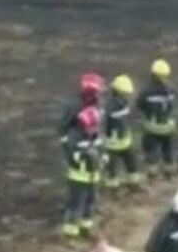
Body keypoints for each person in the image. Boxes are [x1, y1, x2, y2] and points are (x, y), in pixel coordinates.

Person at [61, 106, 106, 239]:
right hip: (78, 178)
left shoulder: (96, 136)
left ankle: (86, 227)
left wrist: (103, 157)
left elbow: (101, 149)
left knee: (90, 202)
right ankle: (71, 231)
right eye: (92, 126)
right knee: (76, 204)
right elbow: (72, 156)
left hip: (92, 177)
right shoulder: (74, 137)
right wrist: (86, 155)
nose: (94, 129)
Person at [137, 59, 177, 181]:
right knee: (167, 150)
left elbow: (140, 105)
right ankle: (169, 174)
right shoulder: (171, 90)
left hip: (152, 126)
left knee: (151, 150)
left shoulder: (146, 91)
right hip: (167, 126)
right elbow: (171, 105)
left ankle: (152, 174)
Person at [104, 74, 141, 193]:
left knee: (132, 164)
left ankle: (134, 185)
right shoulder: (109, 107)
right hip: (113, 144)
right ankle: (113, 190)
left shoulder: (124, 103)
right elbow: (103, 124)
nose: (128, 95)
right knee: (112, 169)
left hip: (125, 141)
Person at [58, 72, 104, 145]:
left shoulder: (96, 103)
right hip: (78, 142)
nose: (99, 93)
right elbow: (64, 124)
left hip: (93, 141)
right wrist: (65, 140)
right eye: (97, 91)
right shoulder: (75, 104)